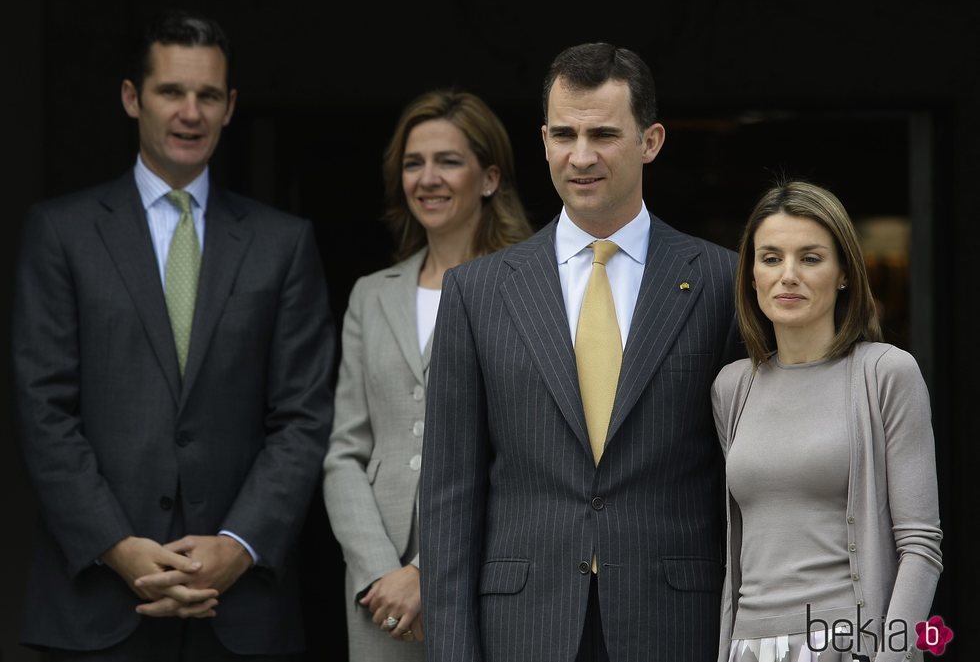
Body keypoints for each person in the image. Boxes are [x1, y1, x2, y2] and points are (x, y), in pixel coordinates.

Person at [11, 9, 335, 661]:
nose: (191, 112)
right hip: (96, 606)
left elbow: (304, 415)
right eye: (171, 92)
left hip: (241, 610)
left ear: (230, 106)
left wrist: (238, 544)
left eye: (208, 95)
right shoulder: (62, 233)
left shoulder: (283, 243)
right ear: (133, 98)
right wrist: (119, 546)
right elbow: (43, 410)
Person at [419, 42, 743, 662]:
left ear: (651, 141)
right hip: (522, 626)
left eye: (603, 134)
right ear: (542, 140)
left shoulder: (719, 283)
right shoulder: (477, 292)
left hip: (676, 623)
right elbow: (448, 500)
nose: (581, 156)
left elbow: (742, 482)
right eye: (564, 134)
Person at [322, 88, 533, 661]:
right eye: (414, 163)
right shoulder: (371, 295)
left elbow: (524, 454)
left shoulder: (529, 288)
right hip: (379, 595)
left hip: (488, 571)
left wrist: (428, 571)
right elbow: (345, 451)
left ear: (489, 177)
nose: (428, 178)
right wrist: (376, 571)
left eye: (449, 161)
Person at [711, 180, 943, 662]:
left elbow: (921, 547)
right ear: (751, 276)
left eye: (810, 258)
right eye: (770, 258)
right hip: (748, 646)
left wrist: (892, 655)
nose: (787, 275)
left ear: (843, 275)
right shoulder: (733, 387)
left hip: (846, 643)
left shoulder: (885, 373)